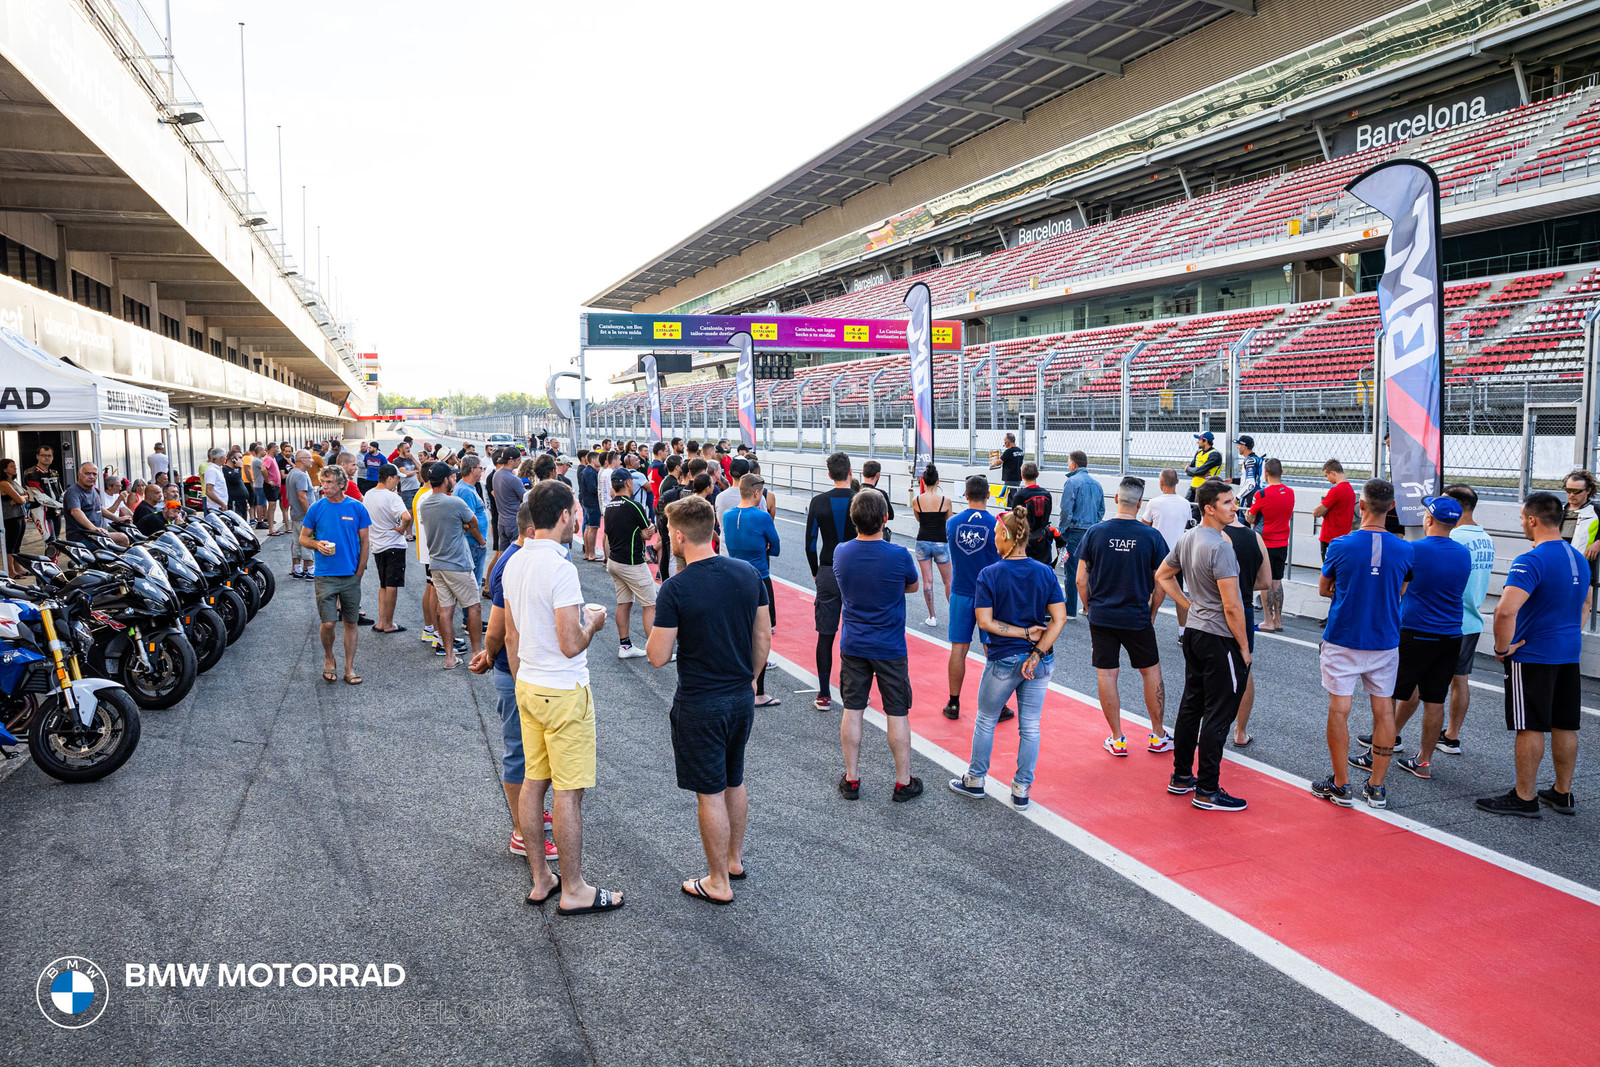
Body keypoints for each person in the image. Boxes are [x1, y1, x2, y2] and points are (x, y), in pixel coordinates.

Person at [500, 479, 624, 915]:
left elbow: (512, 635)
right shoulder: (561, 568)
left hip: (529, 685)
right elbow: (571, 643)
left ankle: (542, 878)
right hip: (563, 689)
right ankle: (574, 889)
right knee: (568, 793)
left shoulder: (513, 561)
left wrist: (522, 682)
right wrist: (595, 621)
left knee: (534, 784)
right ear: (567, 516)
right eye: (575, 513)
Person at [644, 494, 770, 904]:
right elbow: (763, 636)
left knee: (710, 792)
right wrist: (750, 679)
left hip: (700, 701)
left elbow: (658, 656)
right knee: (735, 779)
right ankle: (733, 860)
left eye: (668, 533)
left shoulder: (675, 588)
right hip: (740, 696)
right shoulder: (748, 573)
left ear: (679, 536)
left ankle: (718, 881)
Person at [948, 504, 1067, 810]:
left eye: (996, 535)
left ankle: (975, 779)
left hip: (1004, 659)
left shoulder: (989, 574)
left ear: (1005, 534)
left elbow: (986, 623)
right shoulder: (1045, 572)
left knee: (986, 719)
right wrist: (1037, 650)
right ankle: (1022, 789)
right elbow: (1060, 618)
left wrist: (1022, 634)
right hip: (1040, 662)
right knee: (1030, 725)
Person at [1478, 491, 1586, 818]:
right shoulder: (1577, 556)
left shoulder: (1531, 559)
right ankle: (1562, 793)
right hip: (1569, 652)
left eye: (1523, 518)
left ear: (1533, 520)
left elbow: (1504, 612)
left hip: (1534, 654)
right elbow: (1586, 604)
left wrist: (1501, 648)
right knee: (1565, 723)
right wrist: (1568, 634)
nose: (1522, 524)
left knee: (1531, 726)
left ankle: (1525, 797)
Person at [1311, 479, 1411, 810]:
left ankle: (1341, 786)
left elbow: (1324, 589)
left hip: (1344, 637)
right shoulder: (1405, 548)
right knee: (1383, 710)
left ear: (1361, 505)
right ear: (1392, 507)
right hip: (1384, 640)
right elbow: (1401, 590)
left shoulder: (1341, 544)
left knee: (1339, 709)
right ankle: (1377, 787)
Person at [1154, 479, 1251, 811]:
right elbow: (1233, 606)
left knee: (1192, 705)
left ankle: (1181, 777)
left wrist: (1188, 605)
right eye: (1227, 502)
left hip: (1195, 633)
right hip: (1218, 637)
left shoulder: (1189, 536)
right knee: (1218, 713)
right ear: (1209, 508)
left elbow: (1163, 575)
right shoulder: (1220, 546)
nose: (1234, 507)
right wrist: (1244, 648)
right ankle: (1208, 789)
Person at [1368, 495, 1472, 781]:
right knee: (1435, 699)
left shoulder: (1413, 550)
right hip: (1451, 633)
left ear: (1428, 519)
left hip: (1415, 630)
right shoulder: (1464, 554)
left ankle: (1377, 754)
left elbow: (1397, 587)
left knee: (1388, 694)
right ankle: (1423, 761)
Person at [831, 489, 921, 802]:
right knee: (896, 711)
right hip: (890, 645)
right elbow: (912, 584)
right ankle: (902, 781)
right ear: (884, 518)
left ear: (854, 520)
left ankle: (852, 778)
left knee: (853, 709)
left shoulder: (841, 552)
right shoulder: (898, 555)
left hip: (854, 642)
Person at [1078, 475, 1172, 757]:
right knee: (1151, 671)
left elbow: (1081, 579)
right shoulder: (1152, 536)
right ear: (1140, 503)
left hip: (1103, 615)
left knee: (1107, 673)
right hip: (1137, 615)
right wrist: (1152, 611)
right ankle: (1157, 735)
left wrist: (1089, 608)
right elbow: (1162, 582)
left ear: (1116, 499)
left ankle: (1117, 738)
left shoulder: (1095, 532)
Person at [1412, 483, 1495, 756]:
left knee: (1416, 681)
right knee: (1460, 679)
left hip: (1444, 620)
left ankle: (1391, 734)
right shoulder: (1486, 538)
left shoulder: (1453, 538)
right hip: (1472, 617)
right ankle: (1451, 735)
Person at [300, 466, 370, 685]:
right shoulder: (316, 508)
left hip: (350, 575)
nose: (325, 486)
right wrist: (315, 543)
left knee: (351, 622)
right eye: (323, 481)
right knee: (329, 623)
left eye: (329, 482)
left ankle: (349, 667)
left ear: (342, 484)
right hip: (325, 574)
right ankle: (329, 657)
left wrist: (359, 571)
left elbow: (366, 541)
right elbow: (303, 538)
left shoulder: (357, 508)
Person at [943, 476, 1006, 722]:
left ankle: (953, 703)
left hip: (960, 591)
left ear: (966, 495)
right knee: (992, 650)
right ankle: (996, 705)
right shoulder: (998, 524)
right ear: (988, 495)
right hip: (988, 595)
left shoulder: (952, 523)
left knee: (959, 648)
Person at [804, 452, 857, 713]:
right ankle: (855, 692)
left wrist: (816, 572)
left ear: (829, 474)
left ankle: (824, 694)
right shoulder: (861, 499)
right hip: (856, 571)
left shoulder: (818, 501)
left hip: (826, 568)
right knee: (856, 630)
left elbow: (810, 543)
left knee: (825, 634)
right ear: (850, 472)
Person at [722, 473, 781, 707]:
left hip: (734, 575)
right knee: (762, 634)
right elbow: (775, 548)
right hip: (758, 578)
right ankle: (758, 691)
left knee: (739, 632)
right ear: (757, 492)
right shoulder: (762, 517)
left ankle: (736, 681)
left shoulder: (728, 515)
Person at [419, 463, 484, 671]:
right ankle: (476, 653)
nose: (454, 479)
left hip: (436, 563)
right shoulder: (455, 502)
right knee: (473, 606)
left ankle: (450, 657)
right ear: (446, 479)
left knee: (445, 610)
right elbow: (472, 522)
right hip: (457, 563)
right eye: (452, 476)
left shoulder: (425, 504)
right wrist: (468, 529)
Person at [1221, 496, 1270, 749]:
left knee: (1211, 669)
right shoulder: (1255, 537)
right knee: (1244, 668)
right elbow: (1266, 581)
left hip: (1217, 607)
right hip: (1246, 606)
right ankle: (1240, 732)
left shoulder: (1213, 534)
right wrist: (1241, 588)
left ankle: (1207, 727)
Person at [603, 469, 657, 658]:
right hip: (632, 562)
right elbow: (645, 533)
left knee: (624, 603)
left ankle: (625, 645)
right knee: (650, 604)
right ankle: (655, 651)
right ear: (627, 483)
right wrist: (650, 530)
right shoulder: (634, 506)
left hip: (615, 561)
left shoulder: (609, 506)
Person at [1246, 458, 1293, 632]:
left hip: (1265, 542)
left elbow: (1250, 516)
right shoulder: (1290, 492)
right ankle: (1278, 620)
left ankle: (1268, 621)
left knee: (1265, 581)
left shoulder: (1262, 494)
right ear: (1282, 472)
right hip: (1283, 542)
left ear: (1265, 473)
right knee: (1277, 581)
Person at [364, 463, 410, 633]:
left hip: (377, 544)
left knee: (383, 584)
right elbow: (406, 517)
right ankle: (389, 623)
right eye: (397, 478)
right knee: (392, 585)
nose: (398, 482)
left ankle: (382, 621)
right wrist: (402, 529)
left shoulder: (368, 495)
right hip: (393, 544)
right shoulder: (392, 497)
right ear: (389, 478)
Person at [1058, 450, 1103, 619]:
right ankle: (1088, 607)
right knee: (1089, 570)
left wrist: (1062, 530)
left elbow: (1066, 510)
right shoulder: (1096, 483)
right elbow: (1101, 509)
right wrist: (1095, 524)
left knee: (1072, 570)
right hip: (1092, 531)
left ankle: (1070, 610)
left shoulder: (1071, 482)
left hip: (1075, 531)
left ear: (1073, 464)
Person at [910, 464, 952, 627]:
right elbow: (949, 520)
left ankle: (932, 616)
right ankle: (954, 614)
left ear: (923, 481)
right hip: (941, 542)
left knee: (928, 581)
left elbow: (919, 520)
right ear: (938, 481)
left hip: (922, 541)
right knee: (948, 581)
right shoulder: (945, 501)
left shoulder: (916, 500)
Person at [1561, 468, 1600, 613]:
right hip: (1558, 562)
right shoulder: (1558, 510)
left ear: (1588, 490)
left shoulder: (1596, 511)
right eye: (1568, 490)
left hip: (1582, 564)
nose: (1571, 495)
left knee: (1584, 603)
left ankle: (1574, 635)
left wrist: (1598, 543)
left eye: (1577, 491)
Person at [63, 463, 128, 546]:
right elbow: (75, 511)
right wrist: (93, 528)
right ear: (79, 474)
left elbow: (100, 508)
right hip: (82, 537)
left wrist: (117, 519)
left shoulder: (94, 490)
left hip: (95, 534)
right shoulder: (73, 492)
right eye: (87, 473)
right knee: (122, 538)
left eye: (94, 474)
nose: (91, 477)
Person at [456, 455, 491, 588]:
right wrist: (481, 541)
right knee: (472, 586)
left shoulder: (468, 487)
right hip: (474, 544)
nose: (482, 470)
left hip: (474, 543)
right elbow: (468, 521)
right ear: (472, 469)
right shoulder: (466, 491)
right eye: (480, 468)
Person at [1313, 458, 1356, 562]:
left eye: (1326, 475)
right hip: (1344, 538)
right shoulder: (1351, 491)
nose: (1327, 479)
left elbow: (1316, 512)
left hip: (1330, 539)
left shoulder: (1336, 491)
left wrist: (1323, 509)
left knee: (1328, 572)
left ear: (1332, 473)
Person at [1012, 462, 1054, 566]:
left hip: (1025, 540)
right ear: (1037, 474)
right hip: (1043, 539)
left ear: (1022, 476)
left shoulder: (1019, 495)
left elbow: (1015, 520)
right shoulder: (1046, 494)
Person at [286, 451, 315, 580]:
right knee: (307, 541)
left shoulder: (292, 473)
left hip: (295, 513)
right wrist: (310, 515)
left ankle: (297, 569)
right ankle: (310, 570)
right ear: (302, 460)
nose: (312, 460)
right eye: (309, 458)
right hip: (303, 515)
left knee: (297, 541)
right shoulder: (301, 475)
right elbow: (302, 497)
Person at [23, 445, 62, 540]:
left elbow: (59, 491)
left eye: (49, 455)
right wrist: (61, 505)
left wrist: (61, 505)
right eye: (44, 455)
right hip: (40, 510)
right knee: (50, 541)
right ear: (37, 456)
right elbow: (40, 497)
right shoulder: (31, 473)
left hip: (55, 510)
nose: (47, 458)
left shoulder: (54, 472)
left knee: (57, 541)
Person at [495, 447, 528, 560]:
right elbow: (526, 498)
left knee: (502, 556)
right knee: (516, 556)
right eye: (519, 459)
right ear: (511, 461)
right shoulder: (513, 479)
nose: (520, 462)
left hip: (502, 520)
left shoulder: (497, 474)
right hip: (514, 521)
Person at [0, 459, 28, 576]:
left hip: (20, 515)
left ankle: (18, 568)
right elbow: (20, 499)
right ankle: (11, 570)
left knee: (17, 544)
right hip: (10, 517)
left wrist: (21, 498)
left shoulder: (14, 482)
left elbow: (27, 494)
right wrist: (20, 498)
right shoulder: (4, 483)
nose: (15, 468)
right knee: (10, 544)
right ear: (4, 469)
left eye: (15, 466)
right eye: (12, 466)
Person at [1184, 431, 1222, 502]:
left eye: (1199, 440)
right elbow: (1190, 472)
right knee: (1184, 507)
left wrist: (1190, 469)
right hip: (1193, 486)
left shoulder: (1214, 455)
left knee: (1197, 511)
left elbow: (1199, 471)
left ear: (1205, 441)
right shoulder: (1199, 452)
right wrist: (1190, 470)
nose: (1197, 442)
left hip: (1206, 488)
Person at [861, 460, 894, 542]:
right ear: (877, 475)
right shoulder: (881, 494)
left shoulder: (855, 491)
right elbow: (890, 515)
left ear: (863, 473)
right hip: (877, 536)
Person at [1235, 435, 1264, 511]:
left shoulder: (1250, 461)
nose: (1237, 447)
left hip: (1251, 497)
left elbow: (1250, 484)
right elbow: (1247, 480)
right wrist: (1232, 480)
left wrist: (1237, 498)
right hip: (1258, 495)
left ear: (1243, 446)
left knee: (1245, 521)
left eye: (1239, 445)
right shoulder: (1256, 459)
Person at [394, 442, 421, 517]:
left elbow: (420, 469)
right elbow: (405, 474)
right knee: (409, 512)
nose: (409, 449)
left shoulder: (410, 459)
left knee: (416, 511)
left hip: (416, 487)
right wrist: (415, 471)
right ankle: (407, 529)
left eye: (409, 447)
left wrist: (412, 458)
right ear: (400, 449)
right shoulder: (397, 461)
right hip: (407, 490)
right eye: (407, 448)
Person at [261, 443, 283, 534]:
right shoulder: (268, 458)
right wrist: (268, 480)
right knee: (272, 505)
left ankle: (272, 528)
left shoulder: (272, 458)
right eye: (277, 448)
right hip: (271, 486)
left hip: (275, 485)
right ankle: (271, 529)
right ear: (272, 449)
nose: (278, 450)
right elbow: (263, 469)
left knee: (273, 506)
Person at [997, 432, 1025, 505]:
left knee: (1010, 496)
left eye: (1005, 442)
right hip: (1018, 477)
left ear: (1007, 442)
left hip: (1010, 477)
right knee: (1015, 494)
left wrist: (993, 461)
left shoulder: (1008, 451)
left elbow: (999, 462)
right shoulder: (1020, 451)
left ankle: (1012, 512)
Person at [202, 448, 228, 512]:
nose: (226, 459)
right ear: (221, 458)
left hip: (219, 506)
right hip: (216, 507)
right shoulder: (212, 470)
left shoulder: (217, 469)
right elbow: (209, 491)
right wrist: (222, 504)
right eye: (225, 457)